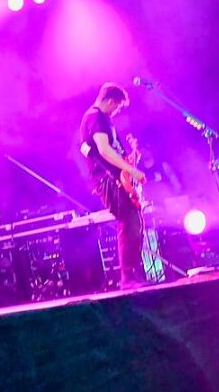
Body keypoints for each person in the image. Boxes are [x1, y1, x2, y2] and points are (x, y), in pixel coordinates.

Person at [78, 83, 147, 289]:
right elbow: (104, 150)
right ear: (109, 101)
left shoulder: (102, 119)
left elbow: (114, 151)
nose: (117, 111)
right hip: (107, 179)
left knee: (136, 223)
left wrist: (130, 160)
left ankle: (133, 275)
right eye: (117, 107)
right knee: (129, 222)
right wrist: (132, 170)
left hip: (115, 177)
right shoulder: (95, 117)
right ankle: (127, 278)